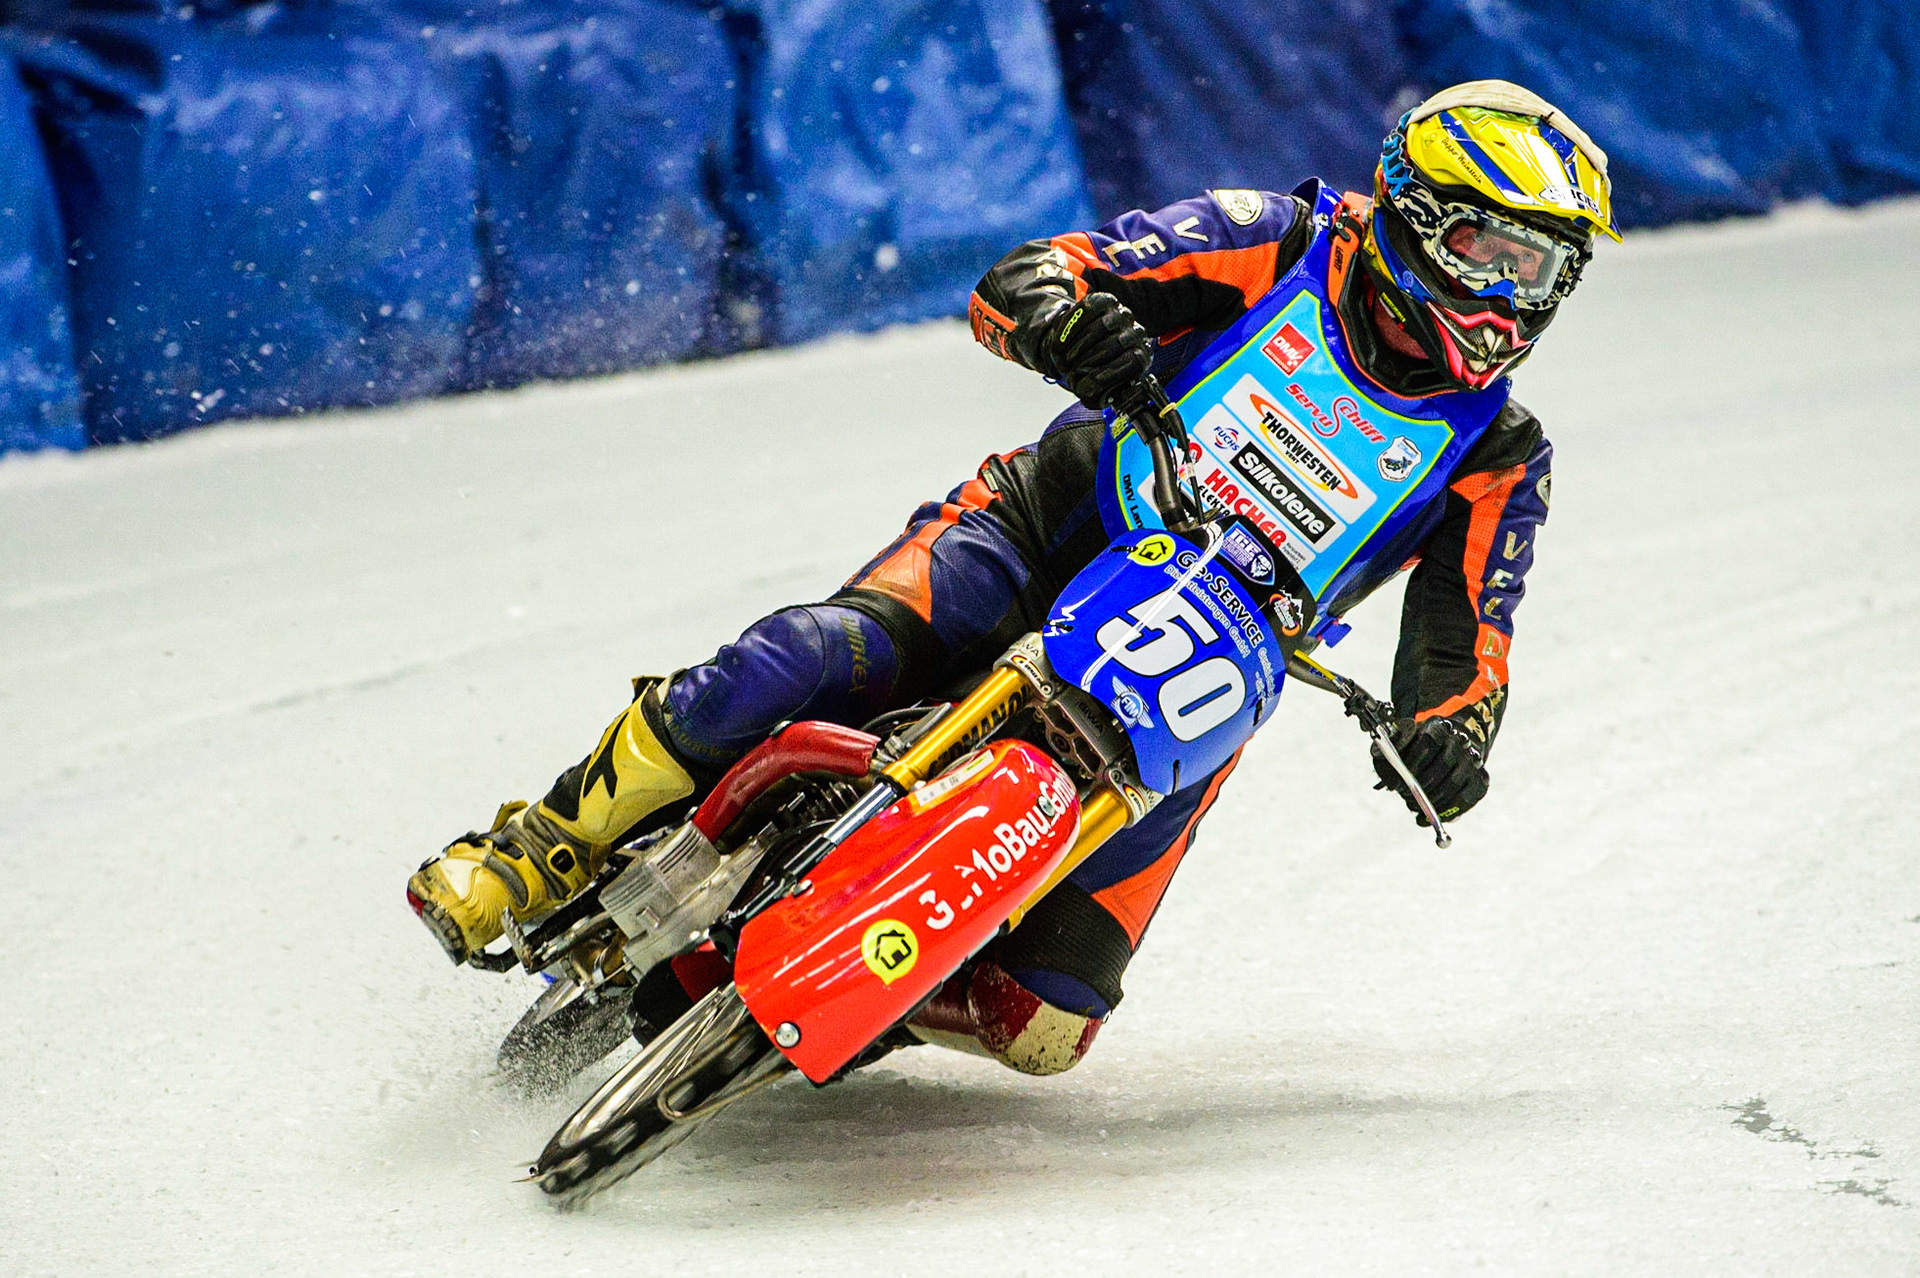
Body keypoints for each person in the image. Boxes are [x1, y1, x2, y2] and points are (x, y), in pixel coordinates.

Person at [407, 80, 1618, 1076]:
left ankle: (865, 981)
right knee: (807, 659)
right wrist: (1067, 324)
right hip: (1041, 533)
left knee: (1050, 1028)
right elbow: (1030, 276)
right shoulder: (1282, 242)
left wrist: (1450, 741)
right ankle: (545, 844)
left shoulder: (1499, 455)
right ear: (1408, 215)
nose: (1511, 295)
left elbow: (1468, 646)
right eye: (1487, 250)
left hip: (1197, 677)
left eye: (1544, 269)